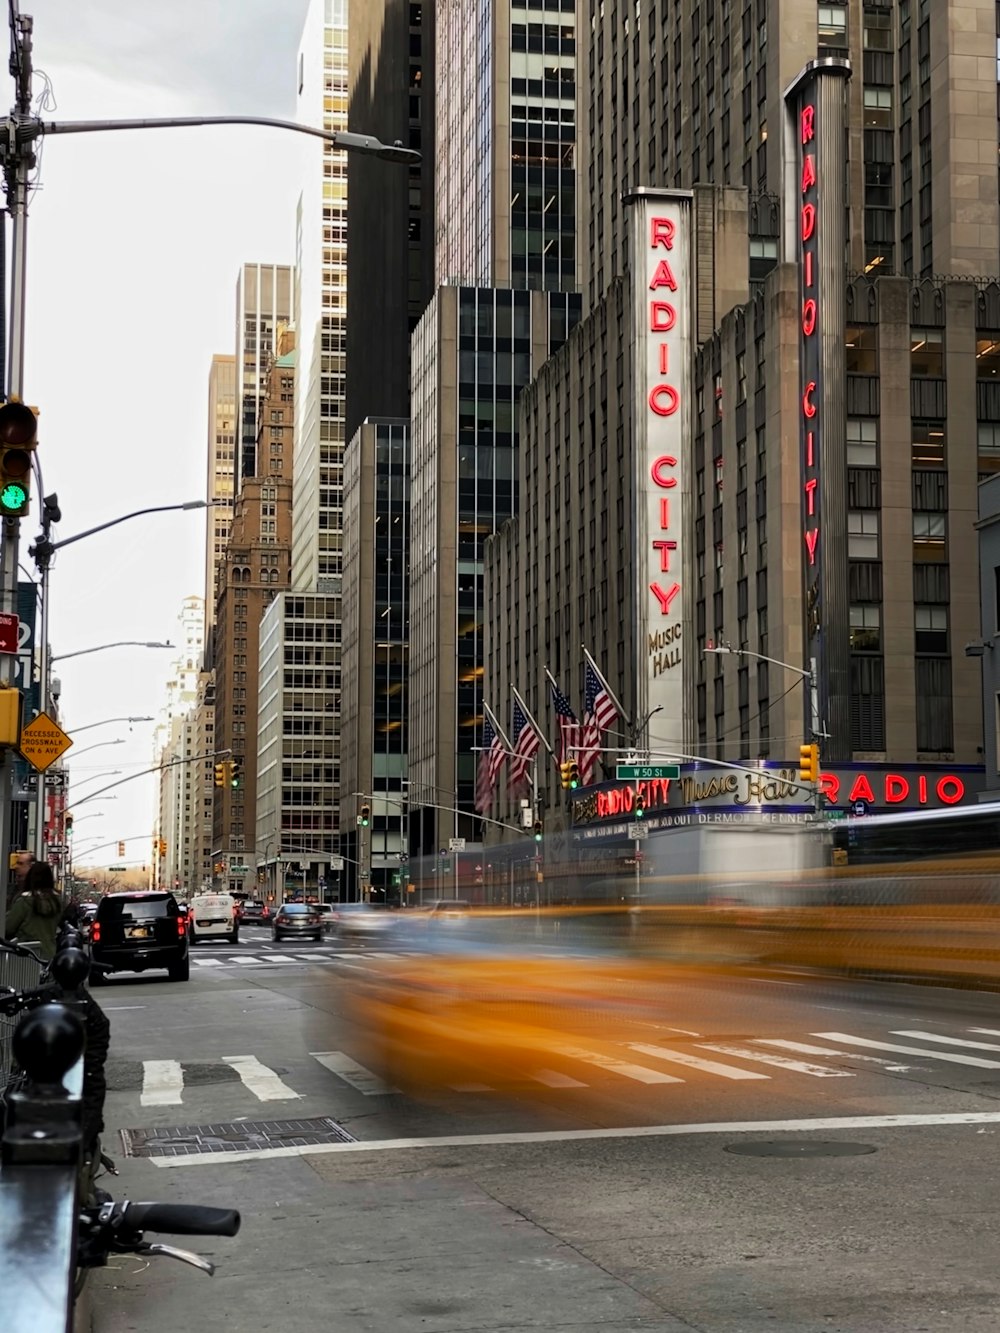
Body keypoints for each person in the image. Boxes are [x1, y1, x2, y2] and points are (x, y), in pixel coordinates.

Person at [5, 861, 64, 959]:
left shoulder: (24, 901)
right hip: (49, 954)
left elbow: (8, 928)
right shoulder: (57, 901)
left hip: (25, 955)